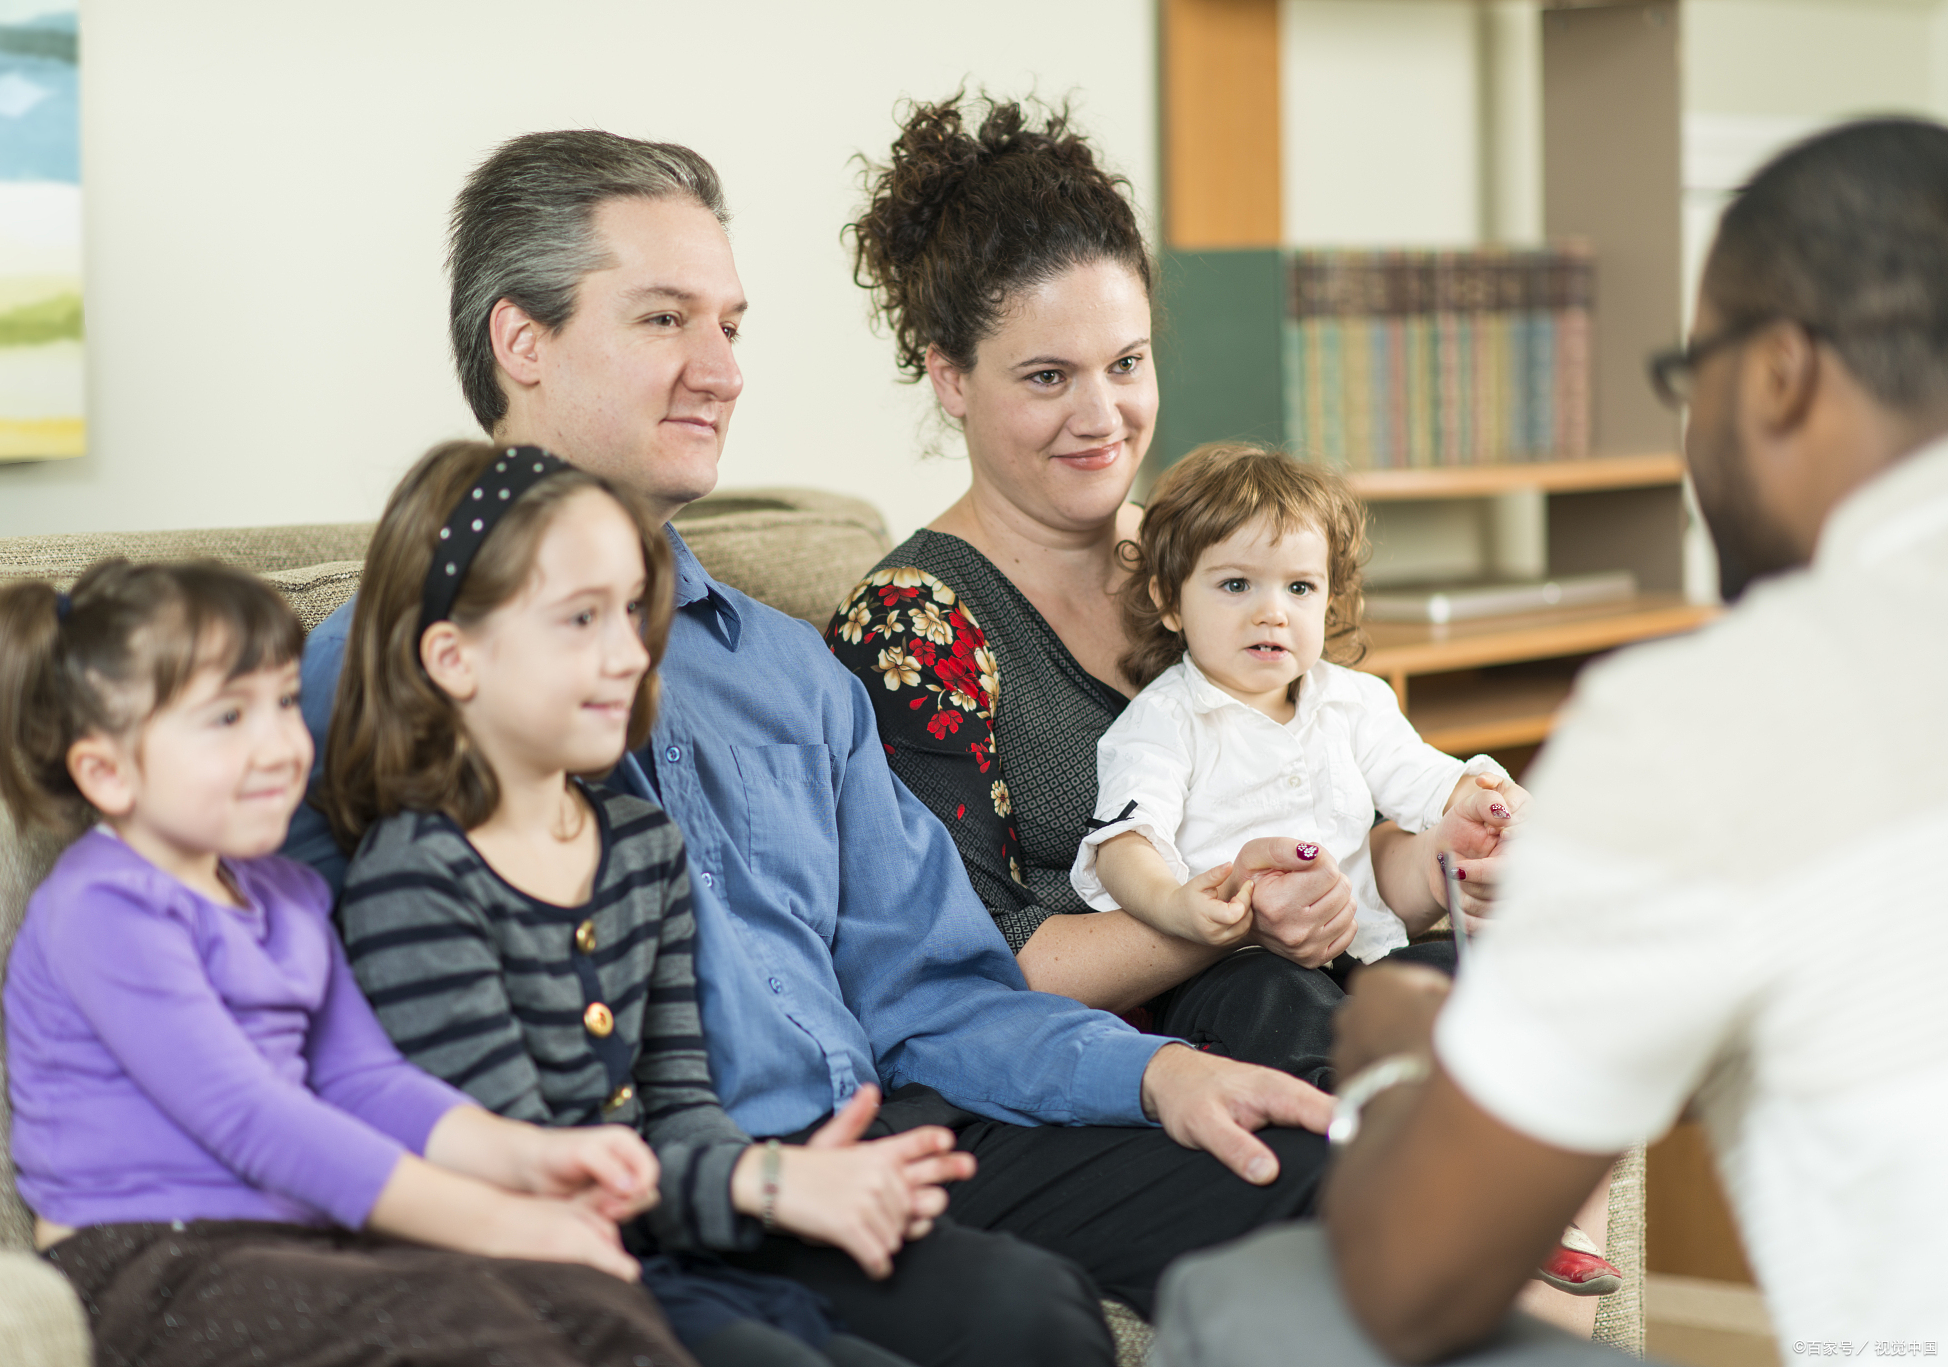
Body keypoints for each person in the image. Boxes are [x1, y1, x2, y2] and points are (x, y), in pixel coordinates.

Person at [285, 127, 1335, 1366]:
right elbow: (344, 1017)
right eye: (665, 319)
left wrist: (1156, 1075)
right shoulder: (393, 662)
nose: (720, 369)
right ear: (524, 342)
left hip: (890, 1132)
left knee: (1310, 1163)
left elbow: (931, 990)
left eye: (731, 325)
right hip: (660, 1195)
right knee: (1021, 1317)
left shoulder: (789, 669)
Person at [1151, 117, 1948, 1365]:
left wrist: (1399, 1063)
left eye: (1694, 380)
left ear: (1778, 375)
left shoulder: (1713, 711)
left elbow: (1417, 1275)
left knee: (1247, 1297)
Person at [826, 97, 1485, 1079]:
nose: (1102, 416)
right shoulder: (912, 629)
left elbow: (1350, 798)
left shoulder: (1216, 561)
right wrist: (1237, 914)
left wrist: (1450, 861)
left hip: (1324, 974)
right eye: (1047, 376)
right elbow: (973, 959)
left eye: (1125, 363)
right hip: (1131, 1050)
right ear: (950, 378)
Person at [0, 557, 694, 1367]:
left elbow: (364, 1081)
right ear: (106, 771)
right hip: (150, 1261)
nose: (280, 744)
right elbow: (253, 1119)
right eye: (226, 717)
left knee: (594, 1303)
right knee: (477, 1325)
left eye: (282, 700)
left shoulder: (288, 893)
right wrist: (502, 1219)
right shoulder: (106, 907)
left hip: (304, 1242)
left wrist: (530, 1155)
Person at [321, 438, 950, 1367]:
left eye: (631, 612)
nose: (630, 654)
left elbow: (679, 1105)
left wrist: (774, 1178)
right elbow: (539, 1163)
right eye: (581, 620)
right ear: (452, 658)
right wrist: (766, 1181)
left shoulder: (638, 846)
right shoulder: (414, 880)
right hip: (527, 1284)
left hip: (665, 1251)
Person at [1072, 442, 1523, 972]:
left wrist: (1497, 806)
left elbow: (1430, 780)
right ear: (1170, 601)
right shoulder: (1165, 719)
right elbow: (1124, 843)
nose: (1273, 612)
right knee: (1274, 1004)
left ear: (1329, 603)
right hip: (1240, 964)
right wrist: (1176, 907)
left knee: (1467, 975)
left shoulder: (1354, 701)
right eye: (1236, 584)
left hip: (1368, 947)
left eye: (1300, 587)